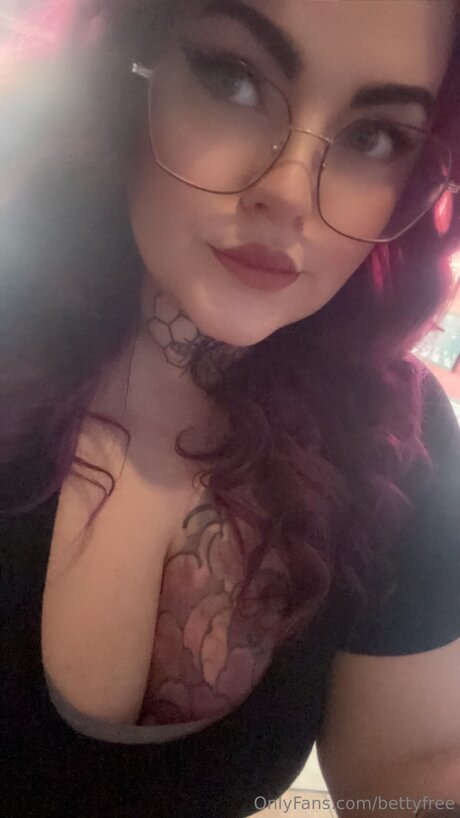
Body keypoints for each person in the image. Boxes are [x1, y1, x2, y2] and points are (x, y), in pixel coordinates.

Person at [1, 1, 460, 816]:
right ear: (127, 65)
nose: (288, 194)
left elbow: (407, 765)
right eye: (234, 79)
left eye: (372, 136)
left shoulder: (399, 441)